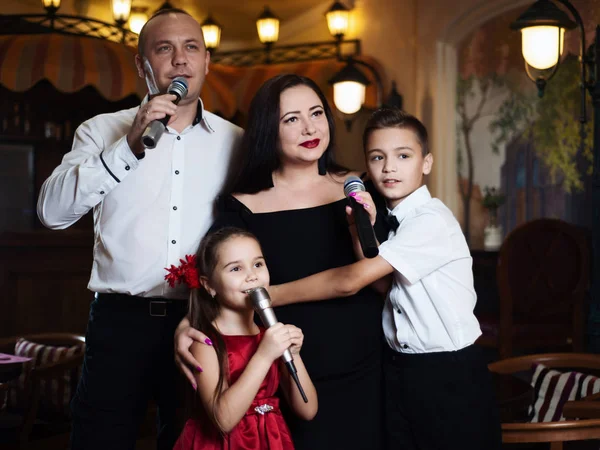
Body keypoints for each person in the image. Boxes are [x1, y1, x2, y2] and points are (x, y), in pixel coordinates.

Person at [36, 8, 242, 450]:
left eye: (192, 48)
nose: (180, 60)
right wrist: (128, 146)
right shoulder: (100, 130)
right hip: (118, 322)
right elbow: (51, 213)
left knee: (189, 442)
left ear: (207, 61)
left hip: (202, 320)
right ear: (142, 64)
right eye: (165, 48)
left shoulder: (238, 143)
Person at [268, 108, 503, 450]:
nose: (389, 167)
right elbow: (383, 286)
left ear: (426, 163)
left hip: (448, 374)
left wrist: (269, 295)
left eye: (403, 156)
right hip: (401, 369)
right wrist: (356, 229)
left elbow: (352, 280)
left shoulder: (430, 220)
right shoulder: (396, 223)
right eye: (377, 157)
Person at [175, 74, 387, 450]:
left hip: (368, 368)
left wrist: (267, 295)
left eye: (317, 113)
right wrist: (186, 325)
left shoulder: (361, 188)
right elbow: (218, 282)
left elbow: (380, 281)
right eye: (291, 119)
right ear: (266, 130)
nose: (309, 127)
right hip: (286, 372)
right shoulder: (241, 205)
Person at [172, 227, 317, 450]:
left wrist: (293, 355)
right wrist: (264, 355)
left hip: (269, 440)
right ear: (209, 284)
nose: (252, 276)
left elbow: (307, 409)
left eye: (258, 264)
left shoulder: (266, 335)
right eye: (236, 268)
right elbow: (223, 420)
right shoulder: (205, 342)